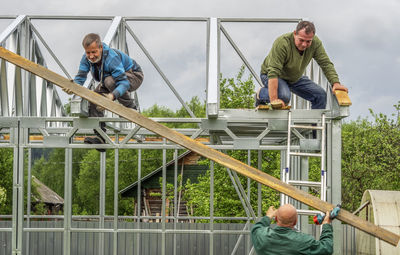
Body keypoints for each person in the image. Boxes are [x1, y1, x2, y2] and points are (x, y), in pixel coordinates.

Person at [63, 33, 143, 151]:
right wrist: (72, 87)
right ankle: (100, 136)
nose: (91, 56)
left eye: (94, 52)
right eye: (88, 52)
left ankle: (131, 107)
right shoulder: (86, 59)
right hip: (109, 80)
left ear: (100, 47)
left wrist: (111, 96)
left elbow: (124, 83)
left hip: (133, 76)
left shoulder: (111, 58)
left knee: (110, 81)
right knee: (94, 99)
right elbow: (80, 77)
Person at [257, 21, 348, 109]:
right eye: (301, 40)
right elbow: (273, 72)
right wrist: (274, 100)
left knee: (320, 95)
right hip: (272, 75)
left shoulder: (316, 43)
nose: (304, 44)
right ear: (295, 33)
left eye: (308, 41)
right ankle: (261, 94)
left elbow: (325, 63)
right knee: (283, 97)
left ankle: (314, 124)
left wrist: (335, 83)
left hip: (294, 78)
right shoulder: (282, 43)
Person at [251, 204, 333, 255]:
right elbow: (327, 248)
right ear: (295, 222)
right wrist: (326, 224)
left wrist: (268, 216)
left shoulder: (262, 237)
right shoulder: (304, 241)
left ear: (276, 218)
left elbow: (257, 227)